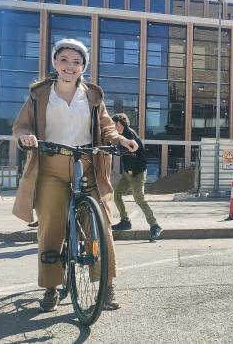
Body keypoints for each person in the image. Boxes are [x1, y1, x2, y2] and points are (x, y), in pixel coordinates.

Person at [12, 38, 138, 312]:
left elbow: (107, 128)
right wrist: (26, 138)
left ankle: (105, 286)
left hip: (87, 165)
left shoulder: (92, 96)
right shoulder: (39, 94)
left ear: (83, 66)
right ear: (55, 62)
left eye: (77, 62)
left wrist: (119, 140)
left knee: (100, 226)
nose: (70, 66)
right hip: (51, 167)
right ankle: (50, 287)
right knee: (51, 226)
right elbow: (20, 127)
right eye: (64, 60)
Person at [110, 113, 163, 242]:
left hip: (137, 172)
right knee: (117, 194)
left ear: (118, 124)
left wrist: (132, 169)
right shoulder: (121, 137)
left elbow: (135, 154)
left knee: (139, 199)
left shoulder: (130, 135)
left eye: (113, 124)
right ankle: (125, 221)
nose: (112, 127)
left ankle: (155, 225)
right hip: (128, 173)